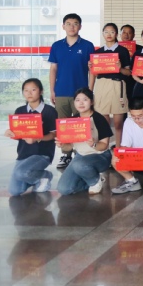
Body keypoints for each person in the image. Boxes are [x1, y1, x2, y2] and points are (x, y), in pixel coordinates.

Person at [49, 13, 95, 169]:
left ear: (80, 26)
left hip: (80, 94)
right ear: (63, 26)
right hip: (61, 91)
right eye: (68, 24)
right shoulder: (56, 46)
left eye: (75, 23)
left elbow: (92, 70)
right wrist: (52, 90)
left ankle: (81, 153)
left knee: (81, 126)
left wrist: (90, 91)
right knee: (63, 126)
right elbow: (53, 69)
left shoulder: (87, 45)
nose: (72, 27)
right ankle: (66, 154)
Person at [5, 79, 57, 195]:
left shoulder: (50, 111)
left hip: (42, 154)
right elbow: (18, 134)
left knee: (21, 173)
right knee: (15, 191)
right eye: (26, 90)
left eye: (33, 90)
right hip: (23, 155)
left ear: (41, 91)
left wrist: (38, 138)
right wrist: (10, 133)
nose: (29, 93)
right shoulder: (20, 111)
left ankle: (45, 176)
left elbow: (54, 134)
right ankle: (36, 178)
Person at [56, 88, 113, 195]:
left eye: (85, 99)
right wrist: (62, 144)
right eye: (77, 100)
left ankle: (94, 181)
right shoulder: (72, 120)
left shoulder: (99, 119)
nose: (81, 103)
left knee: (79, 164)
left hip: (100, 156)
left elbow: (104, 145)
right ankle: (92, 180)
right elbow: (70, 147)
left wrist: (94, 144)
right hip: (80, 157)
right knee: (63, 189)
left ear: (92, 102)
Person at [89, 23, 132, 145]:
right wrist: (90, 90)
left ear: (116, 34)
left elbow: (128, 72)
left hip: (117, 86)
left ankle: (119, 149)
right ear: (103, 34)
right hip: (101, 85)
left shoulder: (123, 51)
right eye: (106, 32)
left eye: (112, 32)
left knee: (118, 123)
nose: (109, 34)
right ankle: (105, 148)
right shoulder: (98, 52)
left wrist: (120, 68)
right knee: (104, 122)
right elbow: (93, 73)